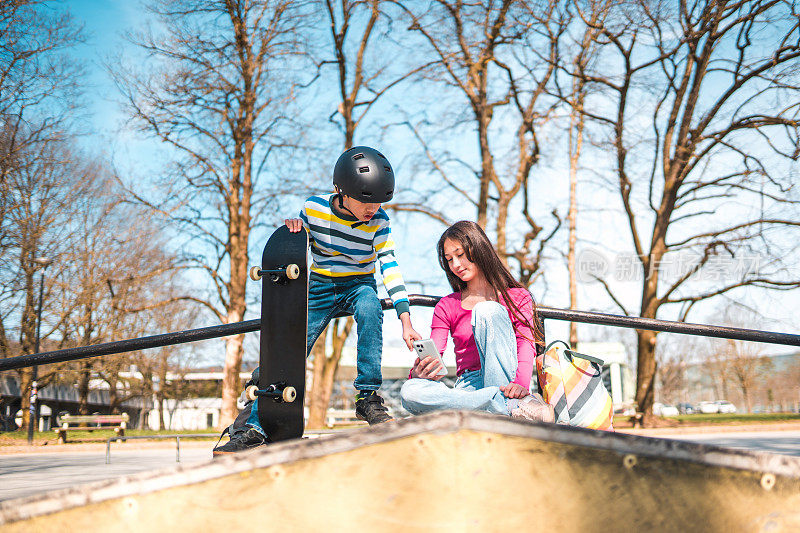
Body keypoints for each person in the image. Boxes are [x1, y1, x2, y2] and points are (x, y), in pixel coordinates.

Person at [214, 146, 421, 456]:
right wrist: (294, 233)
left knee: (370, 307)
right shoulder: (313, 208)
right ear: (343, 190)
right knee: (289, 354)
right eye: (366, 200)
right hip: (320, 287)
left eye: (379, 201)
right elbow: (296, 242)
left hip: (359, 284)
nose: (373, 208)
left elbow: (389, 266)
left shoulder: (380, 221)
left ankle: (367, 398)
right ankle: (254, 427)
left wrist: (405, 319)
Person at [400, 220, 554, 422]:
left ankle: (501, 403)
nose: (455, 265)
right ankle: (509, 407)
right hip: (467, 388)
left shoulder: (518, 297)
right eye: (449, 259)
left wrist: (521, 385)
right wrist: (419, 373)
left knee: (487, 311)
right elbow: (435, 355)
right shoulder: (447, 305)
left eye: (460, 255)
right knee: (409, 391)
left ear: (478, 248)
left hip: (506, 382)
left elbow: (526, 343)